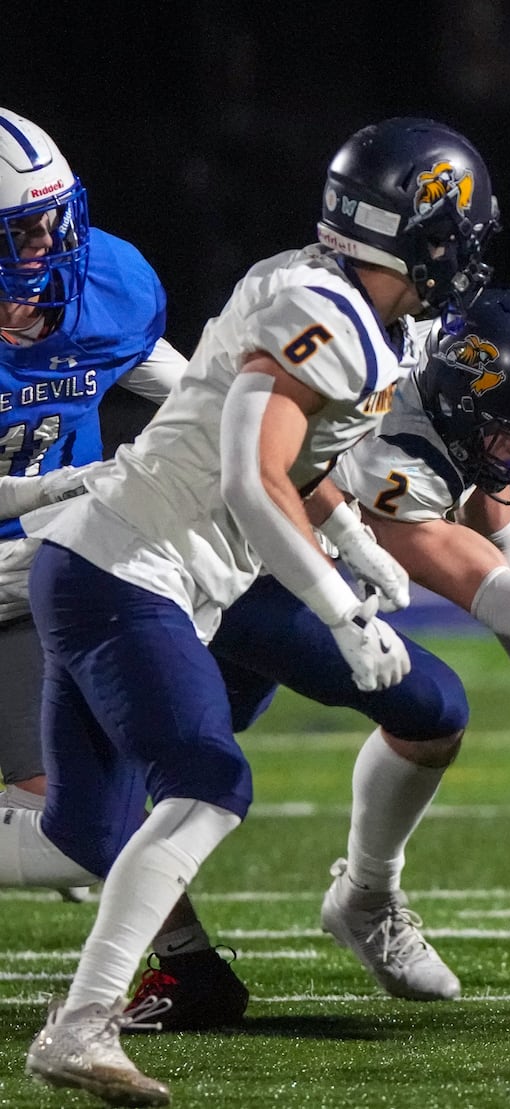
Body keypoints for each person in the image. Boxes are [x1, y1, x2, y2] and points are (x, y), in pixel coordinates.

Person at [3, 115, 510, 1107]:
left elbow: (297, 471)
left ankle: (127, 1000)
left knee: (94, 827)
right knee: (207, 782)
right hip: (132, 566)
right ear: (424, 232)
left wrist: (346, 544)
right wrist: (342, 602)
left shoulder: (336, 305)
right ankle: (80, 1027)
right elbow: (257, 481)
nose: (468, 252)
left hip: (105, 557)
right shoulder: (329, 316)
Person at [0, 107, 185, 855]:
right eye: (20, 231)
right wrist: (59, 487)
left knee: (86, 825)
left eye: (52, 220)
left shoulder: (104, 293)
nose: (47, 245)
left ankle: (187, 965)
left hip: (28, 582)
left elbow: (194, 396)